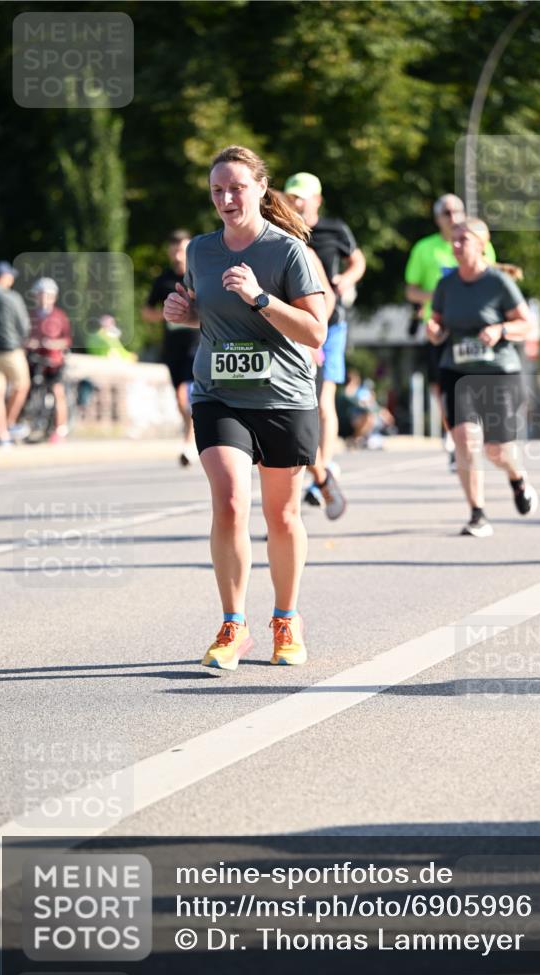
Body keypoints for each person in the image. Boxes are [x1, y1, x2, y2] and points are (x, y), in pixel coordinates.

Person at [163, 145, 327, 670]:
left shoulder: (289, 252)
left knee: (281, 514)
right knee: (231, 501)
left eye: (236, 188)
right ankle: (234, 625)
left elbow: (314, 330)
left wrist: (262, 297)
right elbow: (209, 317)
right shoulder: (201, 252)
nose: (227, 199)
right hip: (219, 394)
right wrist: (185, 313)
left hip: (283, 396)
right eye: (217, 191)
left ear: (260, 188)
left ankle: (286, 618)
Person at [428, 217, 537, 537]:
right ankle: (477, 513)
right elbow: (437, 326)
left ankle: (517, 478)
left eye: (464, 239)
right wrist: (434, 331)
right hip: (456, 370)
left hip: (498, 371)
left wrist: (501, 329)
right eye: (454, 240)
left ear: (481, 244)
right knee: (464, 440)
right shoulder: (446, 285)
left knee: (496, 450)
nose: (456, 245)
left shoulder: (498, 283)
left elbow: (526, 325)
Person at [284, 171, 366, 510]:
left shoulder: (335, 229)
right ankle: (315, 467)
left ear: (317, 199)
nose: (296, 203)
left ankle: (324, 463)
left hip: (331, 324)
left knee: (324, 395)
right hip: (295, 323)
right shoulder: (284, 229)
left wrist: (346, 280)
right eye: (291, 197)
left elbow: (357, 261)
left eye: (301, 197)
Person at [405, 194, 496, 467]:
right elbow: (411, 290)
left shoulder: (481, 243)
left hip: (476, 327)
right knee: (444, 384)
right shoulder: (424, 249)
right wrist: (439, 293)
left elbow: (493, 282)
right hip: (441, 325)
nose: (453, 215)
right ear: (437, 218)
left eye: (457, 209)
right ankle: (456, 435)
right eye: (446, 211)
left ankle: (474, 430)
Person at [142, 230, 200, 467]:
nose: (177, 255)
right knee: (180, 399)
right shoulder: (163, 279)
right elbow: (146, 311)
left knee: (186, 394)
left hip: (196, 344)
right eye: (174, 250)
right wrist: (165, 315)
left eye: (182, 250)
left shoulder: (198, 274)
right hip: (172, 348)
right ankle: (192, 432)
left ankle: (189, 440)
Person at [0, 261, 31, 446]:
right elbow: (23, 326)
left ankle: (2, 434)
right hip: (11, 351)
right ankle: (9, 423)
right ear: (1, 277)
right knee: (21, 387)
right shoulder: (12, 298)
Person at [26, 277, 72, 443]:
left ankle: (60, 429)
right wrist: (30, 343)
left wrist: (53, 344)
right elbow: (24, 337)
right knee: (25, 388)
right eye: (41, 294)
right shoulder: (31, 315)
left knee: (57, 392)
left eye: (48, 295)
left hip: (53, 361)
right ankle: (24, 424)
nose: (44, 298)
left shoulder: (60, 316)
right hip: (34, 359)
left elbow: (67, 340)